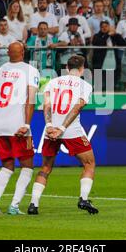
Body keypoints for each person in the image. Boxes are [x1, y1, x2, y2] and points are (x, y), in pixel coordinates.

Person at [27, 54, 98, 215]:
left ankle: (33, 204)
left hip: (50, 131)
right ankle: (84, 199)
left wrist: (50, 126)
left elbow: (47, 105)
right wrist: (63, 128)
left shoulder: (52, 82)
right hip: (71, 131)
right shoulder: (85, 85)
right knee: (89, 163)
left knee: (45, 167)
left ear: (66, 67)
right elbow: (77, 108)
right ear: (82, 69)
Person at [0, 41, 40, 215]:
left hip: (0, 125)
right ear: (23, 52)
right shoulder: (31, 70)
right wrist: (27, 125)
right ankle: (14, 205)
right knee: (27, 166)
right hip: (18, 125)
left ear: (8, 53)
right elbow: (30, 100)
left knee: (7, 165)